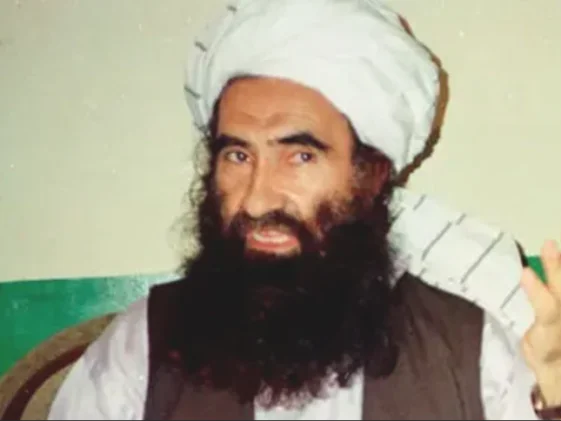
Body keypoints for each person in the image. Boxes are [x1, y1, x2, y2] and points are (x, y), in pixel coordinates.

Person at [48, 0, 561, 419]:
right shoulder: (141, 347)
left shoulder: (470, 350)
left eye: (300, 156)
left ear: (371, 174)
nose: (257, 199)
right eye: (238, 155)